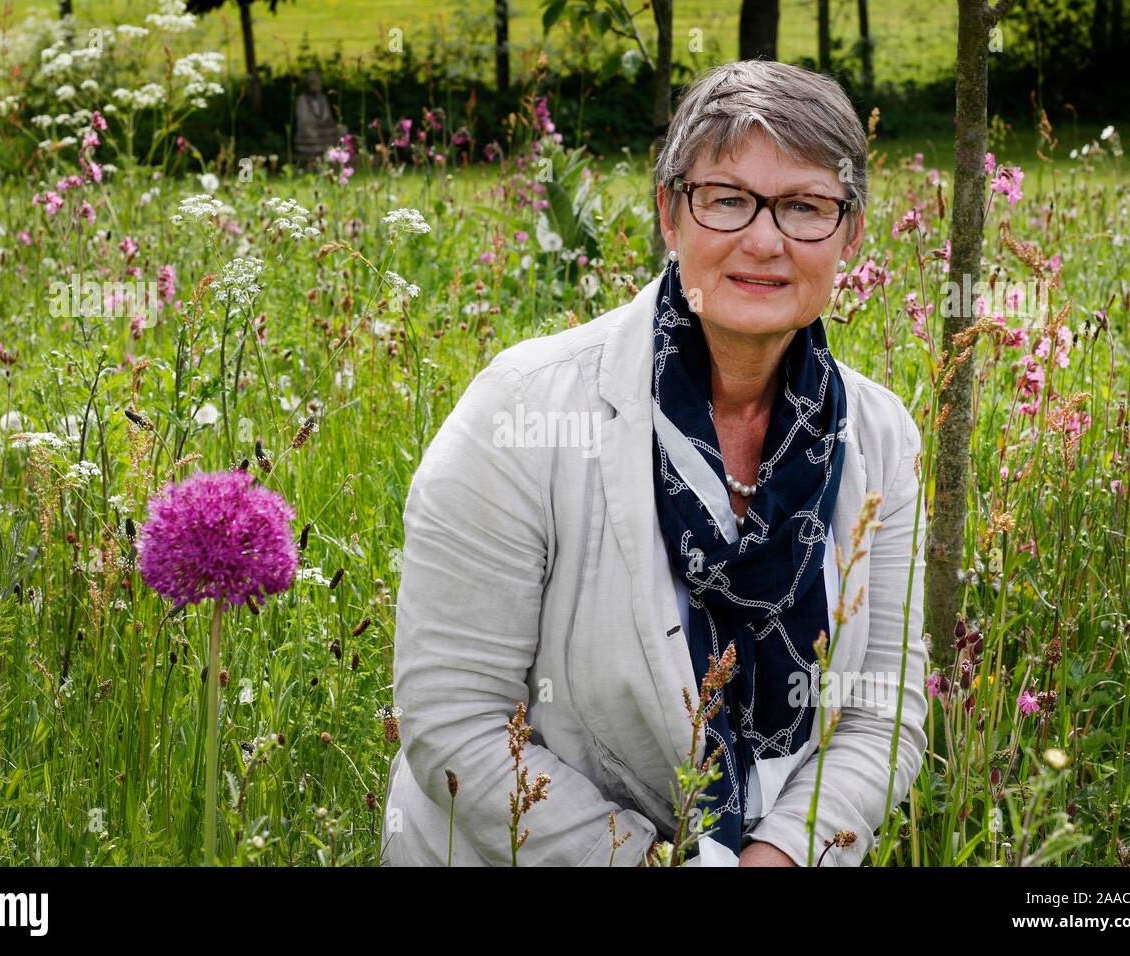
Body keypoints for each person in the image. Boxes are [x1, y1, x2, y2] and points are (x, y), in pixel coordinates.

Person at [380, 59, 928, 867]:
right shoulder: (523, 410)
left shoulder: (882, 437)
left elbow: (882, 714)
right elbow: (454, 718)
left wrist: (780, 854)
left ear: (849, 234)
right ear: (671, 214)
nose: (765, 240)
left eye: (806, 206)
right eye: (728, 199)